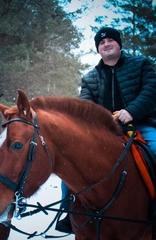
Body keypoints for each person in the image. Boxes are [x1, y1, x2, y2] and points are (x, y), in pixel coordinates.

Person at [56, 26, 156, 234]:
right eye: (101, 43)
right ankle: (68, 212)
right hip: (106, 133)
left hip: (142, 124)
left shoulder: (141, 65)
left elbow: (151, 91)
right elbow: (85, 108)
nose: (106, 44)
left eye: (110, 40)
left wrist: (131, 111)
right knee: (71, 162)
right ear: (98, 49)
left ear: (119, 44)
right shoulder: (90, 78)